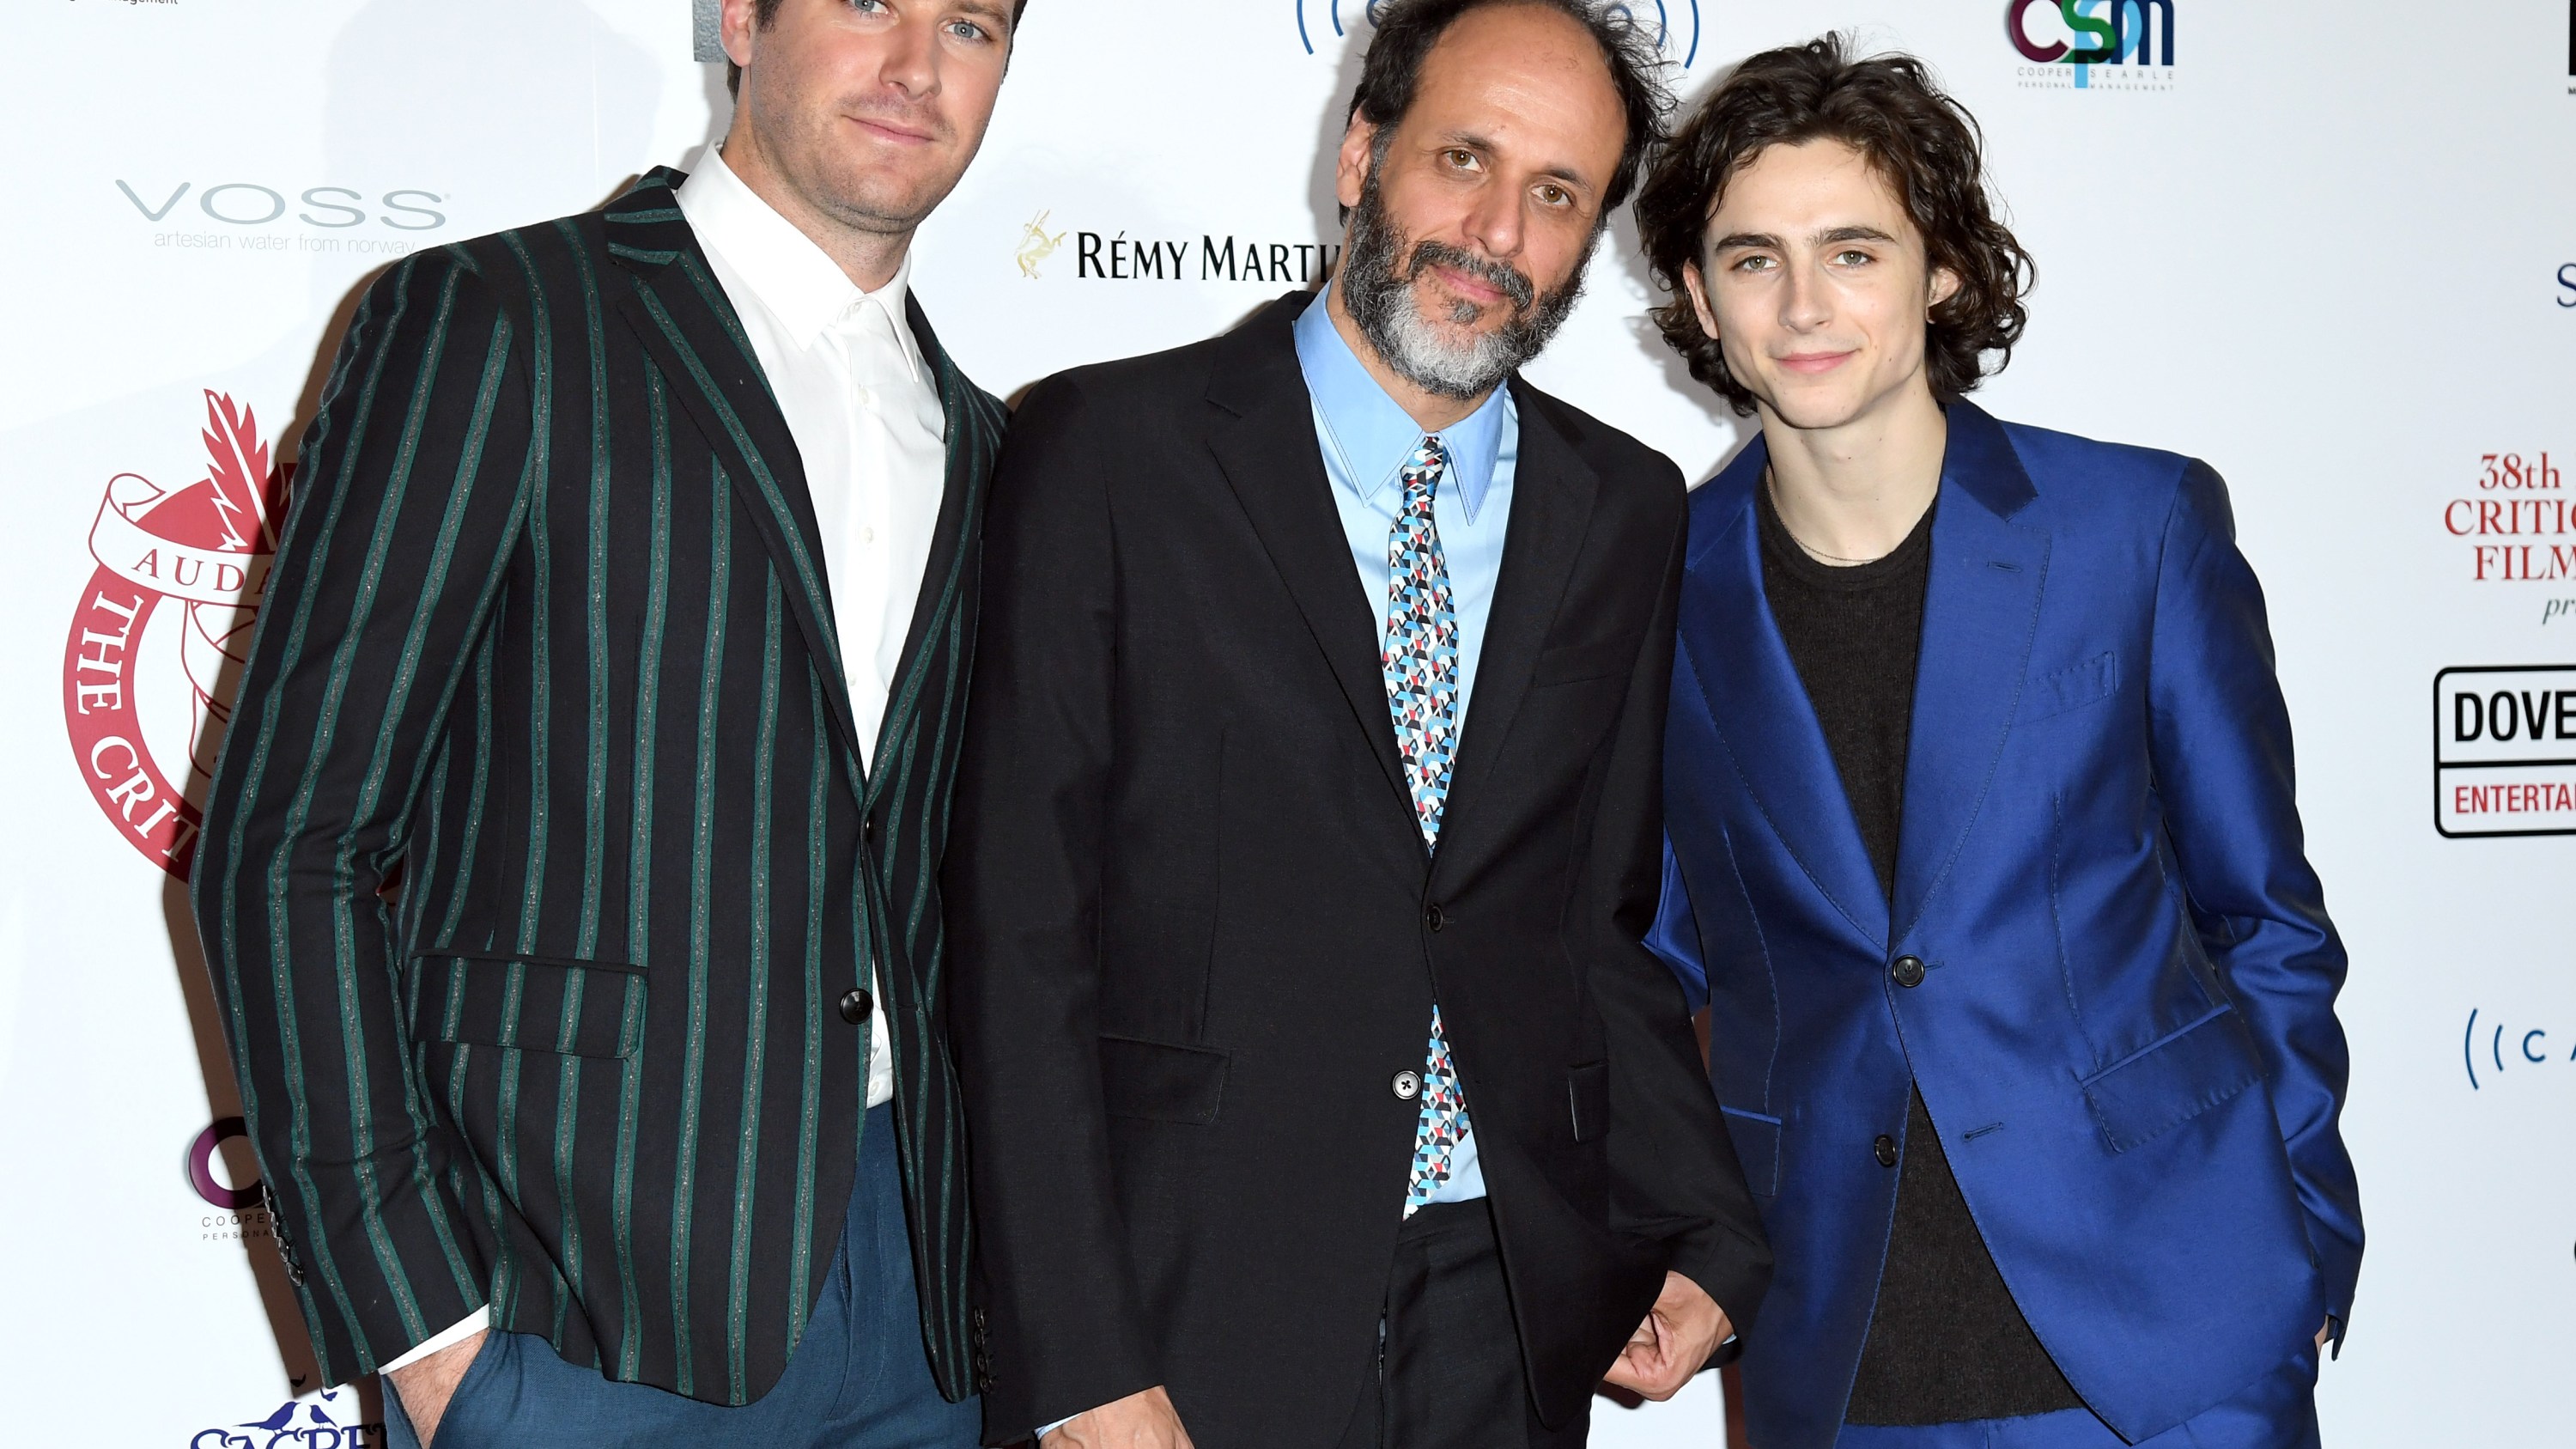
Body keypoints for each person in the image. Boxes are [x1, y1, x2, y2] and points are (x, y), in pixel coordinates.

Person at [190, 1, 1026, 1443]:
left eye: (970, 22)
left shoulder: (992, 438)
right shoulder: (497, 321)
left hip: (923, 1320)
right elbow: (287, 841)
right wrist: (426, 1335)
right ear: (743, 17)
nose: (915, 66)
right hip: (576, 1316)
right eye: (868, 1)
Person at [944, 4, 1772, 1447]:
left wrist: (1704, 1219)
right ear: (1362, 153)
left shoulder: (1624, 509)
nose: (1498, 228)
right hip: (1188, 1306)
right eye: (1465, 157)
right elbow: (1018, 941)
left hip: (1505, 1312)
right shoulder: (1106, 456)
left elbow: (1591, 925)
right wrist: (1073, 1353)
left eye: (1559, 193)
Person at [1631, 34, 2361, 1449]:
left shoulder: (2135, 532)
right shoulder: (1649, 594)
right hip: (1840, 1358)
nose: (1801, 305)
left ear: (1942, 271)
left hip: (2175, 1345)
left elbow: (2263, 919)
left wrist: (2303, 1238)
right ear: (1697, 300)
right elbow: (1643, 966)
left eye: (1853, 250)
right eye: (1751, 258)